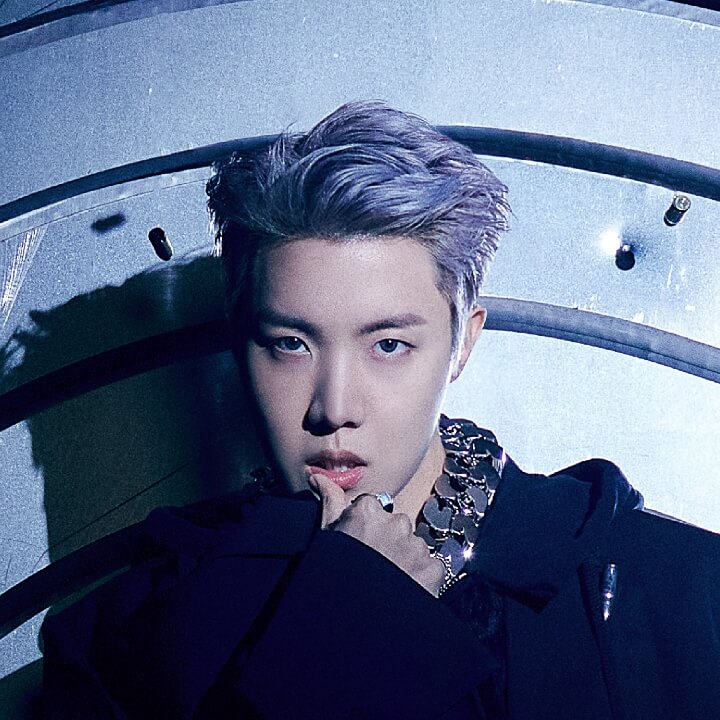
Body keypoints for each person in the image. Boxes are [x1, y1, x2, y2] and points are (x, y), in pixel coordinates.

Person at [41, 101, 720, 719]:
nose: (334, 408)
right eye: (290, 344)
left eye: (388, 344)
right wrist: (349, 633)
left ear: (462, 344)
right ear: (239, 342)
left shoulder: (676, 591)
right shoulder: (124, 642)